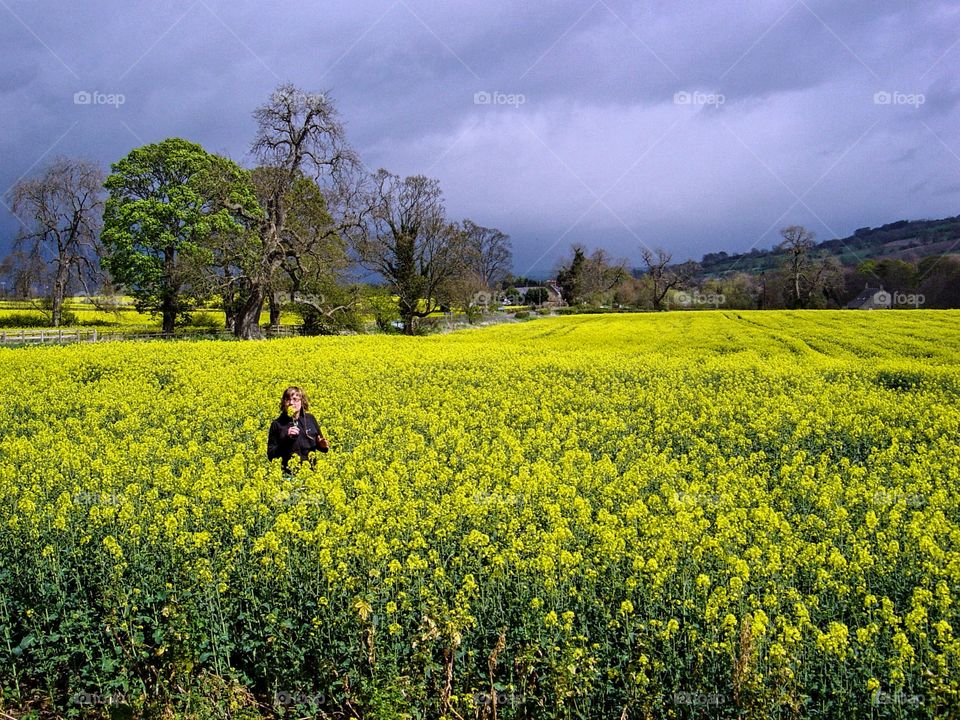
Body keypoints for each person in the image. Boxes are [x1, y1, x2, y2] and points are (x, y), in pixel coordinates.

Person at [267, 386, 329, 472]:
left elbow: (319, 443)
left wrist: (322, 446)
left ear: (302, 402)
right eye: (287, 399)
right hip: (289, 476)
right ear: (283, 403)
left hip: (311, 474)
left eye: (295, 399)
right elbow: (271, 455)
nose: (291, 403)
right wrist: (287, 439)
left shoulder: (310, 419)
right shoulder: (277, 424)